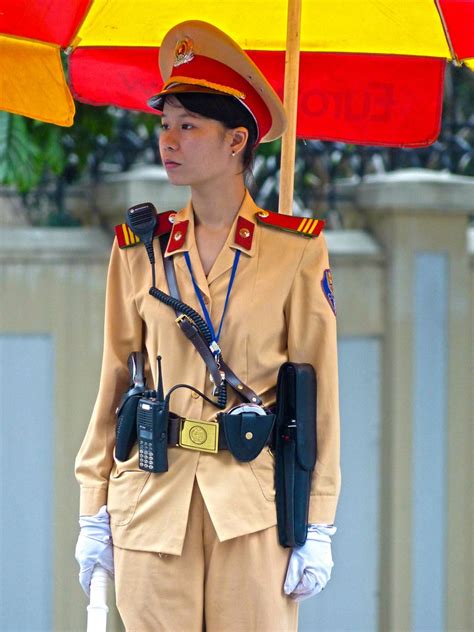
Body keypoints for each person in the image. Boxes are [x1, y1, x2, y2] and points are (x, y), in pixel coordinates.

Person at [75, 20, 340, 632]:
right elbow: (115, 381)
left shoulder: (295, 252)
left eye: (188, 125)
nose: (168, 139)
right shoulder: (138, 248)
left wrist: (319, 519)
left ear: (235, 140)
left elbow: (320, 395)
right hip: (149, 499)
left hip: (253, 510)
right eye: (164, 123)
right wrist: (93, 506)